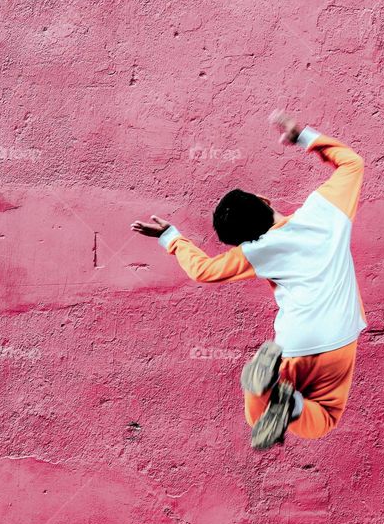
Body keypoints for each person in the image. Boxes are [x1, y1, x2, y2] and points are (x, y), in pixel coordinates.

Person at [131, 110, 366, 450]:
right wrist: (302, 136)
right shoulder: (325, 212)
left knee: (258, 417)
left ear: (243, 242)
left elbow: (204, 271)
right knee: (326, 417)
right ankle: (290, 403)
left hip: (295, 343)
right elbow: (352, 164)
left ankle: (276, 393)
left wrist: (172, 237)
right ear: (265, 201)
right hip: (339, 337)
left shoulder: (258, 252)